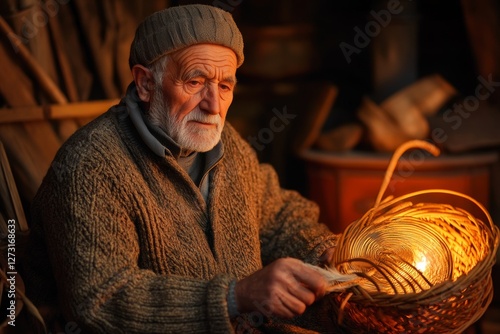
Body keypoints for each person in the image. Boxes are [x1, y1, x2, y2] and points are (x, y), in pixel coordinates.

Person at [24, 4, 339, 333]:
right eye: (195, 81)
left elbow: (278, 217)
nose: (213, 105)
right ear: (145, 83)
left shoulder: (227, 146)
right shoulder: (89, 166)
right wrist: (235, 296)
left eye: (225, 86)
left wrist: (323, 252)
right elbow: (100, 300)